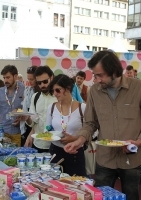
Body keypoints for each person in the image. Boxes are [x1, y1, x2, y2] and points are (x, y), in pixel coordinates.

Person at [64, 50, 141, 200]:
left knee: (131, 196)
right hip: (105, 160)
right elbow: (90, 122)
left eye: (100, 75)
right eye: (95, 75)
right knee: (99, 197)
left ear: (114, 71)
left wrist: (138, 142)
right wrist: (79, 140)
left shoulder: (138, 88)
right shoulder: (94, 92)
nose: (97, 79)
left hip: (132, 159)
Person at [46, 74, 86, 176]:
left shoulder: (82, 108)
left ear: (67, 89)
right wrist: (50, 134)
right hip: (55, 151)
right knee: (54, 187)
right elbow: (48, 127)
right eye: (53, 91)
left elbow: (92, 132)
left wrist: (75, 139)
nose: (55, 93)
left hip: (75, 153)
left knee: (76, 186)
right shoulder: (52, 107)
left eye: (58, 90)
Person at [0, 65, 25, 147]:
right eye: (4, 78)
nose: (5, 80)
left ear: (15, 76)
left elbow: (27, 108)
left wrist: (20, 112)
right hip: (2, 131)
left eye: (8, 77)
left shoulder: (23, 89)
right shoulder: (0, 91)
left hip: (17, 131)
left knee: (15, 156)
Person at [24, 65, 56, 153]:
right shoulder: (35, 97)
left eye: (45, 81)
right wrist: (26, 118)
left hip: (55, 145)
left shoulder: (59, 97)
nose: (42, 85)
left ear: (51, 78)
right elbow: (33, 123)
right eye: (39, 83)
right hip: (38, 144)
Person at [20, 66, 39, 146]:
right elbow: (24, 106)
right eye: (28, 79)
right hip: (28, 123)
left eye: (32, 79)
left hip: (37, 125)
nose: (30, 81)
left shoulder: (40, 94)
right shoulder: (28, 91)